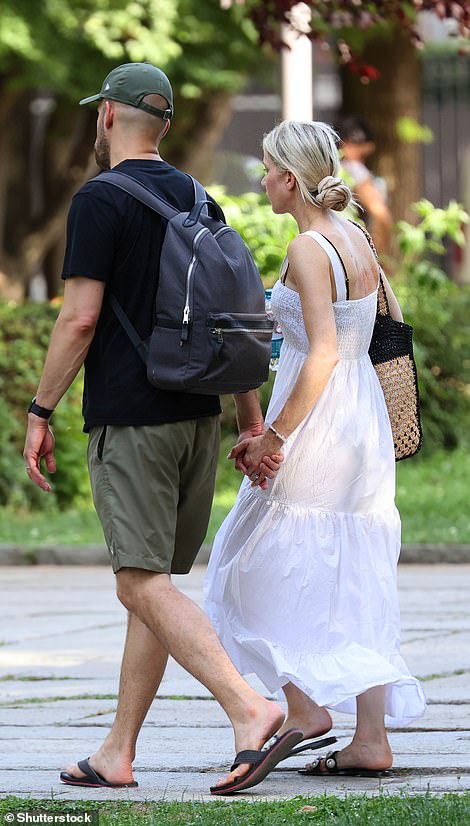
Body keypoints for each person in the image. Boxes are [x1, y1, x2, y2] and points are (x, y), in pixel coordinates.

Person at [22, 62, 304, 795]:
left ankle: (248, 708)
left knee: (140, 582)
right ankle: (118, 750)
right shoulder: (199, 197)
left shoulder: (98, 200)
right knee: (153, 585)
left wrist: (40, 410)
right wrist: (248, 421)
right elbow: (234, 315)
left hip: (133, 418)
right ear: (168, 125)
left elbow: (80, 317)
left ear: (108, 117)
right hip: (197, 419)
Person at [204, 120, 426, 777]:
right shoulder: (353, 235)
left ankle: (303, 709)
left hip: (319, 418)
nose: (263, 177)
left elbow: (321, 351)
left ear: (290, 179)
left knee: (243, 558)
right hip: (361, 422)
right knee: (352, 568)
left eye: (268, 168)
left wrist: (271, 436)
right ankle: (371, 739)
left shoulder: (307, 245)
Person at [336, 115, 393, 260]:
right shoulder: (354, 170)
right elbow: (380, 214)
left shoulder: (331, 171)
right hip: (356, 251)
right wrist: (381, 256)